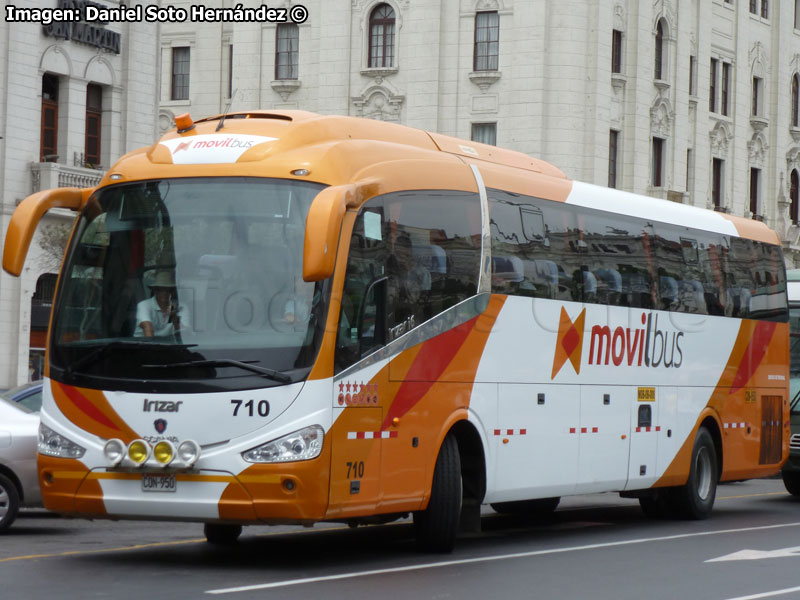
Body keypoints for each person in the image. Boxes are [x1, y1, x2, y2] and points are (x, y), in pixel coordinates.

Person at [134, 270, 190, 337]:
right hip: (144, 344)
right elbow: (148, 329)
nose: (165, 293)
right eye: (161, 289)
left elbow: (186, 335)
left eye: (169, 289)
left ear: (173, 292)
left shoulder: (181, 307)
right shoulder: (144, 305)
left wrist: (175, 318)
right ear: (155, 291)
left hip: (169, 344)